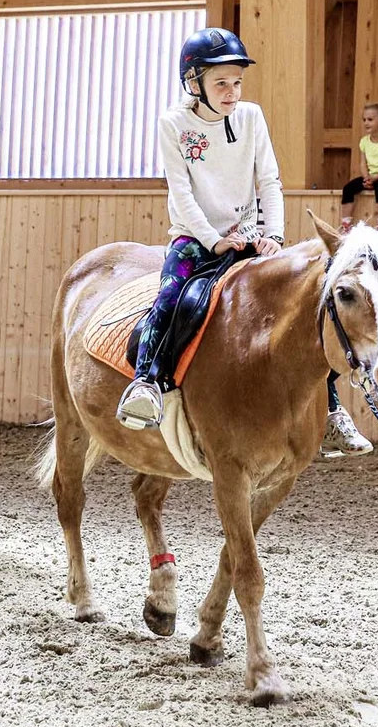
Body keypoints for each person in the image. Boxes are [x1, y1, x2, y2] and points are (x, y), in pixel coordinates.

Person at [117, 27, 283, 432]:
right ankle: (146, 381)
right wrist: (213, 240)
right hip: (194, 238)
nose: (232, 92)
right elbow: (182, 194)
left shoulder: (251, 116)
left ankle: (330, 407)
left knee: (300, 298)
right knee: (172, 297)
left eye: (237, 82)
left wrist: (272, 235)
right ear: (195, 83)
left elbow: (269, 182)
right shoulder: (173, 124)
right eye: (221, 83)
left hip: (247, 234)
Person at [339, 102, 378, 233]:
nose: (366, 123)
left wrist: (376, 177)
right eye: (364, 120)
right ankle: (346, 223)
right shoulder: (364, 141)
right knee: (348, 188)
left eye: (370, 119)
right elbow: (363, 163)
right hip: (371, 176)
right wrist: (366, 177)